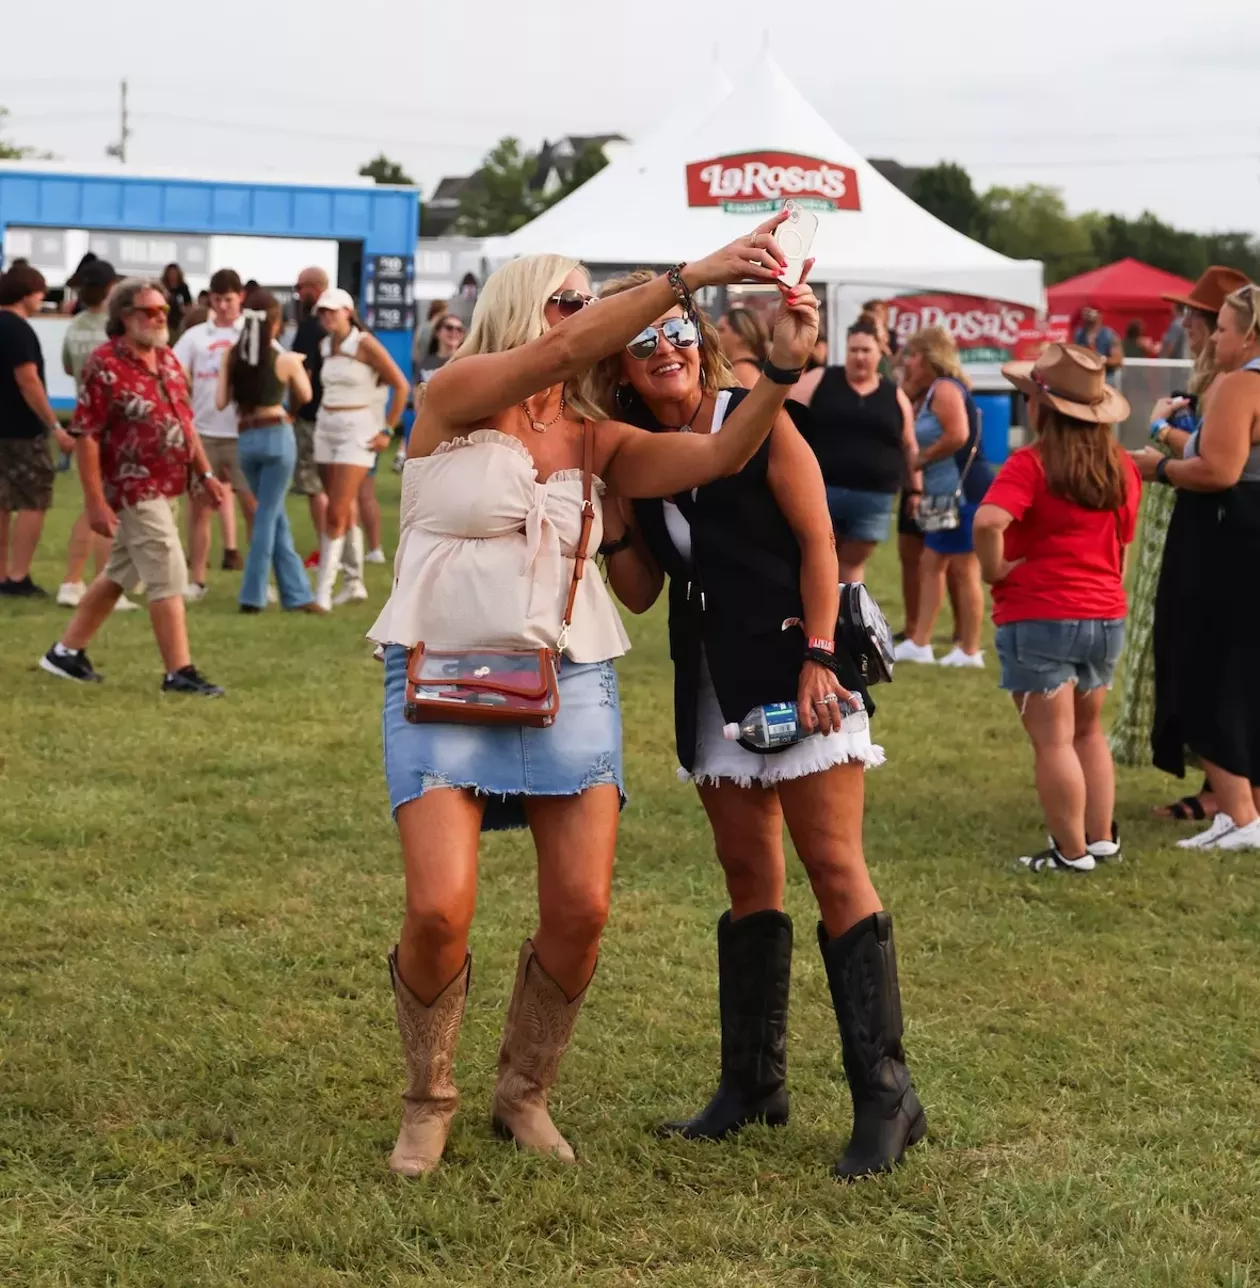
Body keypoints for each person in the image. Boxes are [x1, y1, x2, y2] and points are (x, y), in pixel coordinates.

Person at [367, 221, 812, 1178]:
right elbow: (569, 350)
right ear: (527, 311)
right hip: (437, 677)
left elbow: (722, 456)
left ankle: (523, 1093)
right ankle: (426, 1098)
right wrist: (689, 275)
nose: (590, 319)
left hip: (566, 676)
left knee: (582, 908)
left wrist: (777, 371)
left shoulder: (593, 434)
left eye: (589, 300)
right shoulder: (453, 396)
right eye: (572, 299)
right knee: (441, 908)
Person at [588, 281, 926, 1181]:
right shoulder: (634, 452)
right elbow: (640, 592)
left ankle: (889, 1096)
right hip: (709, 675)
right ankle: (753, 1085)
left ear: (697, 338)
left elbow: (820, 541)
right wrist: (612, 508)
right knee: (747, 873)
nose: (665, 350)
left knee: (833, 865)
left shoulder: (758, 412)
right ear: (620, 362)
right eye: (642, 342)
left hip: (795, 661)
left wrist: (822, 655)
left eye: (675, 334)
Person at [973, 346, 1139, 871]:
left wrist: (993, 570)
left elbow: (987, 522)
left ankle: (1070, 853)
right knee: (1089, 732)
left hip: (1040, 613)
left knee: (1054, 742)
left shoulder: (1032, 463)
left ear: (1042, 408)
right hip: (1105, 615)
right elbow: (1123, 543)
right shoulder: (1123, 468)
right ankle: (1101, 839)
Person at [1138, 283, 1260, 853]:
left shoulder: (1245, 383)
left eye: (1221, 327)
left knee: (1204, 673)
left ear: (1249, 334)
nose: (1214, 336)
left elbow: (1218, 470)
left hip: (1234, 548)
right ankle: (1255, 818)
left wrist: (1158, 468)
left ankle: (1241, 817)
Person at [40, 279, 224, 694]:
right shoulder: (104, 365)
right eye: (150, 311)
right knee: (167, 572)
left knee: (119, 573)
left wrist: (206, 473)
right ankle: (179, 671)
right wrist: (93, 502)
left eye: (163, 311)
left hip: (169, 484)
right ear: (125, 317)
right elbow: (87, 435)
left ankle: (65, 653)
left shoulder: (169, 360)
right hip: (132, 486)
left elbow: (184, 423)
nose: (161, 318)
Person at [1109, 265, 1248, 806]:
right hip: (1186, 522)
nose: (1186, 324)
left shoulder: (1228, 385)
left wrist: (1159, 432)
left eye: (1195, 315)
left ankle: (1224, 794)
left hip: (1208, 530)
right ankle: (1221, 788)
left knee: (1199, 654)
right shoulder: (1212, 379)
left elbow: (1217, 461)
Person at [788, 319, 919, 583]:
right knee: (818, 558)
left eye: (866, 350)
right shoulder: (821, 379)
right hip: (822, 490)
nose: (859, 356)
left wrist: (916, 489)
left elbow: (909, 444)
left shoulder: (894, 395)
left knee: (850, 565)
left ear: (879, 353)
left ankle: (846, 618)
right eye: (853, 350)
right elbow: (783, 411)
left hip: (874, 498)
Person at [214, 286, 318, 614]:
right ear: (275, 323)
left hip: (246, 439)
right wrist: (289, 406)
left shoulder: (231, 355)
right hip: (277, 435)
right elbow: (306, 393)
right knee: (267, 517)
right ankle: (253, 594)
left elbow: (219, 402)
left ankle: (297, 595)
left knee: (274, 516)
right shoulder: (283, 359)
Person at [895, 326, 991, 668]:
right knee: (932, 563)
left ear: (929, 356)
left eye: (914, 355)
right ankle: (920, 642)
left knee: (964, 569)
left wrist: (923, 457)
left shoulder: (946, 388)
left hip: (961, 492)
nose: (909, 362)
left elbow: (958, 435)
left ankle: (969, 650)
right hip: (943, 493)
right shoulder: (935, 388)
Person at [311, 288, 409, 611]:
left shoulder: (364, 343)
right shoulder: (326, 346)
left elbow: (400, 384)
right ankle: (354, 582)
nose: (326, 316)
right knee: (341, 507)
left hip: (358, 430)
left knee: (336, 509)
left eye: (332, 311)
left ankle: (322, 593)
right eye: (323, 311)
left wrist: (387, 429)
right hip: (327, 426)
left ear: (348, 312)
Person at [56, 258, 136, 612]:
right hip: (114, 424)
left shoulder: (74, 326)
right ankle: (103, 582)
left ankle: (73, 580)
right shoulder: (115, 328)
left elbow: (67, 367)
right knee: (106, 507)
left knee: (91, 504)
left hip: (83, 419)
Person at [173, 269, 255, 595]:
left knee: (253, 509)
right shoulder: (195, 336)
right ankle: (197, 580)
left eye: (229, 300)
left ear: (241, 299)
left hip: (243, 433)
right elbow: (175, 373)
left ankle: (257, 579)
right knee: (200, 509)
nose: (223, 307)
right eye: (218, 300)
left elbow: (279, 368)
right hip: (204, 432)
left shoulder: (252, 332)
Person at [0, 265, 76, 595]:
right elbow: (28, 381)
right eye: (40, 291)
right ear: (28, 293)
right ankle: (19, 575)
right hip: (21, 429)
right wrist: (54, 426)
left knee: (1, 502)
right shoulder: (19, 330)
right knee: (34, 499)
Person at [288, 265, 330, 561]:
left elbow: (302, 373)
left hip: (312, 417)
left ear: (313, 288)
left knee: (316, 488)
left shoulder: (310, 326)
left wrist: (292, 410)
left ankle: (325, 550)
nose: (298, 293)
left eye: (300, 287)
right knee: (337, 488)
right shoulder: (346, 323)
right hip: (337, 416)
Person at [716, 304, 769, 383]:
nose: (716, 334)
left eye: (721, 330)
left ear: (741, 334)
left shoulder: (743, 371)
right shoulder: (756, 367)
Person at [1074, 306, 1124, 388]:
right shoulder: (1079, 335)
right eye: (1087, 311)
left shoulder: (1109, 335)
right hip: (1087, 380)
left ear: (1100, 315)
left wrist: (1102, 359)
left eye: (1093, 310)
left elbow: (1118, 360)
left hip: (1107, 379)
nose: (1089, 314)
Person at [160, 263, 193, 340]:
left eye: (175, 273)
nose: (173, 275)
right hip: (166, 316)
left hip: (179, 319)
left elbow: (188, 304)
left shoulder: (183, 287)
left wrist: (184, 309)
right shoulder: (162, 285)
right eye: (171, 273)